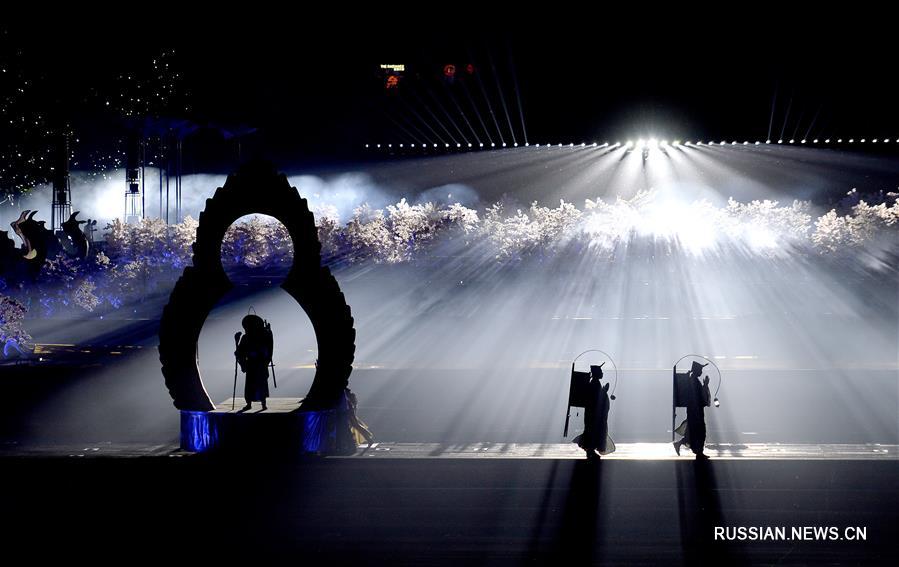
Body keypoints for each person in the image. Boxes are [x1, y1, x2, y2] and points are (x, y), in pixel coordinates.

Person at [573, 364, 614, 460]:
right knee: (593, 431)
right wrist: (604, 391)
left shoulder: (594, 383)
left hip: (593, 414)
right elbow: (596, 399)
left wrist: (603, 391)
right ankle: (590, 450)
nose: (602, 373)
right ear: (596, 373)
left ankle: (590, 451)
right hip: (594, 415)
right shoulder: (594, 384)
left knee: (592, 431)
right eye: (600, 372)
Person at [673, 361, 712, 459]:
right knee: (699, 430)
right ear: (697, 370)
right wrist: (705, 385)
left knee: (694, 431)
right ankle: (699, 452)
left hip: (694, 410)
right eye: (701, 370)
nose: (701, 372)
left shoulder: (693, 380)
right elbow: (698, 396)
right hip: (695, 410)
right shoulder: (694, 381)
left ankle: (682, 444)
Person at [235, 314, 273, 411]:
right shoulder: (245, 337)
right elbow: (240, 351)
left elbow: (268, 346)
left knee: (261, 383)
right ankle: (249, 404)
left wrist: (269, 332)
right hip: (251, 364)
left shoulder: (263, 336)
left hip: (260, 363)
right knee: (250, 385)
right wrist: (236, 342)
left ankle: (263, 404)